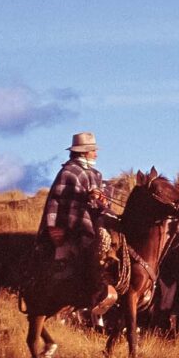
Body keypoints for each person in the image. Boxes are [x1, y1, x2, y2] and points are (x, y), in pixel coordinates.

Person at [40, 132, 116, 313]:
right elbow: (57, 201)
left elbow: (102, 203)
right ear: (83, 152)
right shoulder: (68, 172)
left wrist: (101, 199)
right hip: (73, 225)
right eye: (93, 150)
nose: (96, 154)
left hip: (92, 222)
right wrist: (53, 226)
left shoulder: (95, 174)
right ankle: (89, 292)